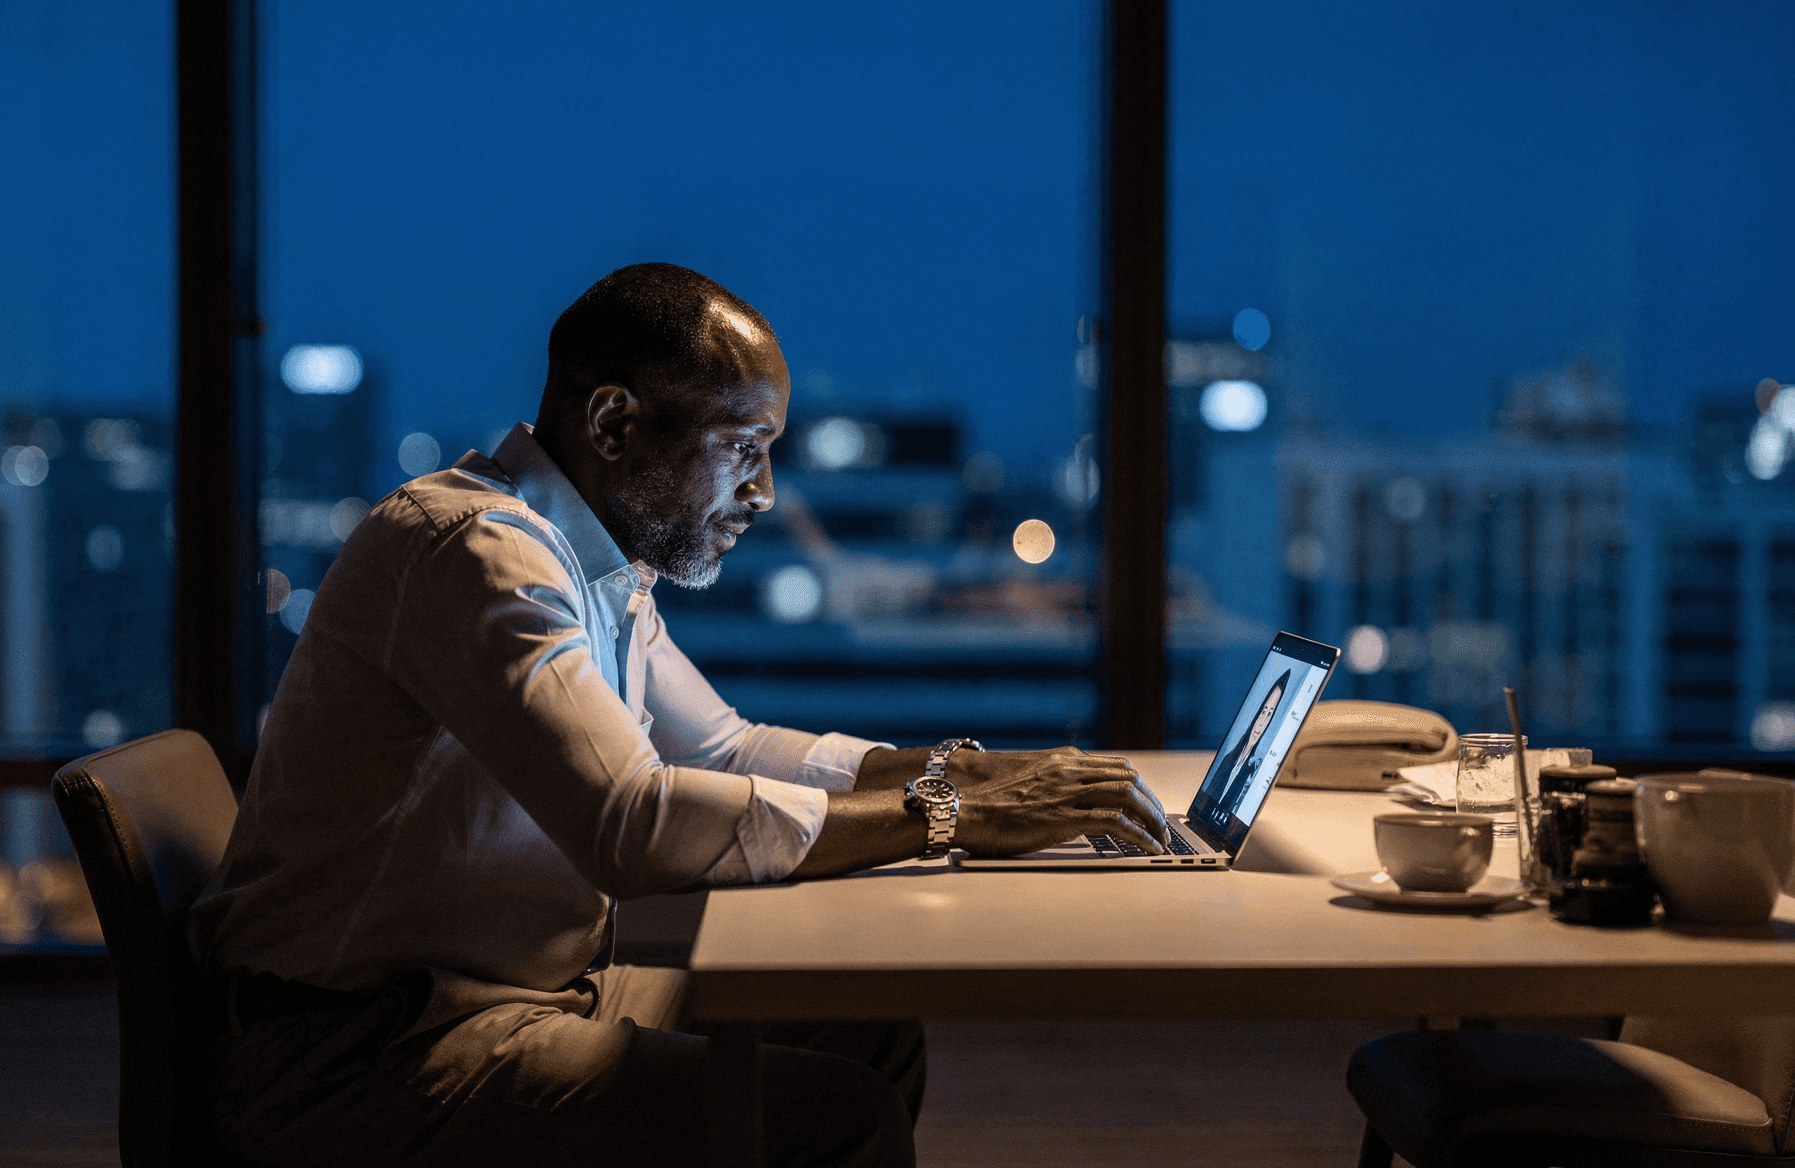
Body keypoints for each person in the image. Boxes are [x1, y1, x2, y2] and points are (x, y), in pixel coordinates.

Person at [185, 263, 1168, 1168]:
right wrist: (940, 816)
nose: (764, 492)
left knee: (868, 1031)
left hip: (504, 999)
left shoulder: (595, 567)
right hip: (359, 1052)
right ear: (613, 423)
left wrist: (960, 771)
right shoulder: (474, 553)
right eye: (743, 446)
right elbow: (631, 824)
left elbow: (728, 746)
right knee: (831, 1115)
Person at [1210, 670, 1290, 821]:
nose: (1261, 722)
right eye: (1263, 711)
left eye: (1270, 714)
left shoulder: (1254, 771)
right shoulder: (1228, 759)